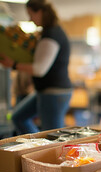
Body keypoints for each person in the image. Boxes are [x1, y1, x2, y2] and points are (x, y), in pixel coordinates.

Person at [0, 0, 72, 134]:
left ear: (40, 12)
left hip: (54, 92)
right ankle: (35, 146)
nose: (30, 19)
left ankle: (44, 150)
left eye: (31, 14)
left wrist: (14, 64)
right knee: (18, 117)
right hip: (45, 90)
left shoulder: (51, 35)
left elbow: (40, 69)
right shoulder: (47, 33)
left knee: (53, 135)